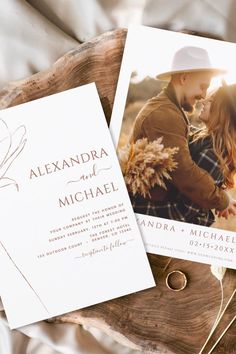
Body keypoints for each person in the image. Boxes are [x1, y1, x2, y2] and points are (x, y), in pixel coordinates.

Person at [130, 46, 236, 220]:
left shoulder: (172, 111)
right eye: (203, 87)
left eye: (210, 97)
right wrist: (221, 199)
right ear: (185, 78)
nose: (203, 96)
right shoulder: (165, 114)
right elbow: (185, 171)